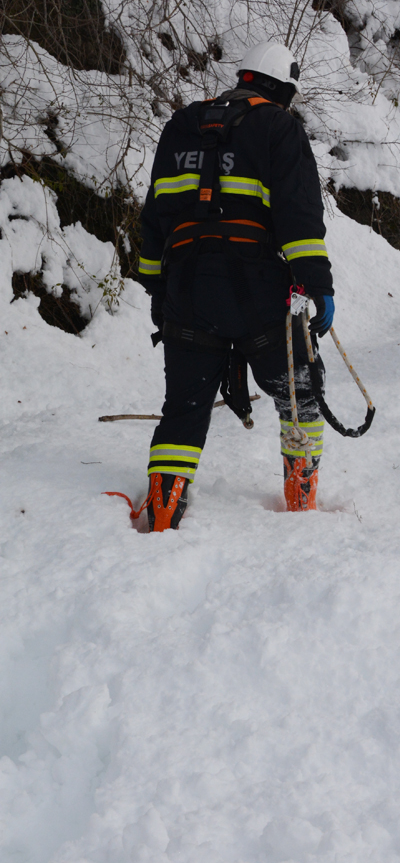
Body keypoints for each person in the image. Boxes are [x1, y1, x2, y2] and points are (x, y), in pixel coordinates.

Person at [136, 41, 334, 530]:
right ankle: (301, 500)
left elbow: (155, 215)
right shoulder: (279, 126)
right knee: (300, 391)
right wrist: (318, 283)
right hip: (260, 293)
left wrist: (157, 288)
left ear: (244, 76)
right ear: (283, 89)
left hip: (187, 288)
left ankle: (163, 511)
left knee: (183, 407)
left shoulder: (182, 125)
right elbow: (298, 215)